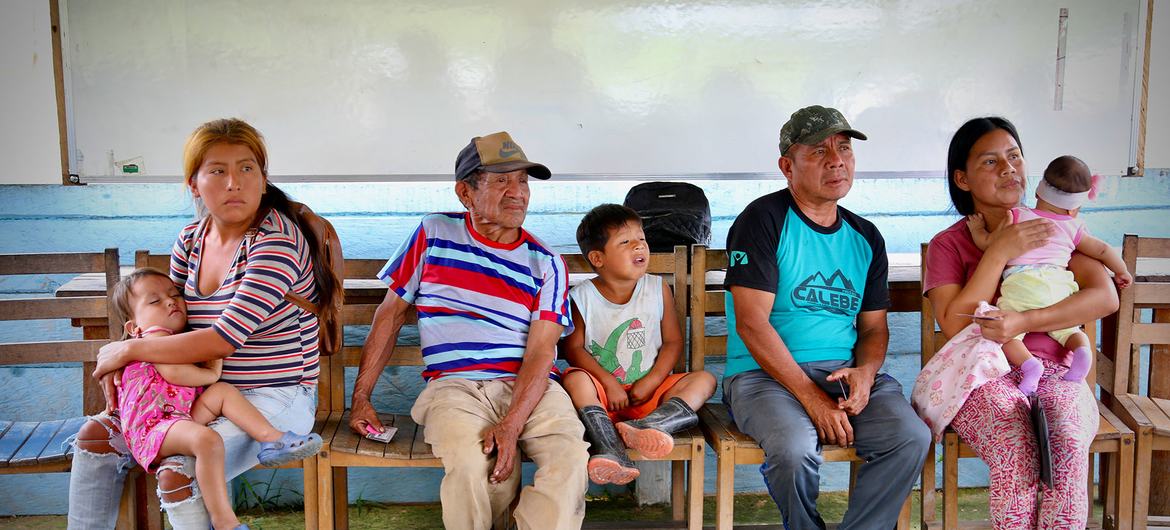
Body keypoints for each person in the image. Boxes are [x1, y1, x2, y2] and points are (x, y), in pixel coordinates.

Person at [69, 118, 340, 530]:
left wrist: (125, 350)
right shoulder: (190, 241)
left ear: (263, 179)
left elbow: (221, 339)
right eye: (217, 170)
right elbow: (170, 325)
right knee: (96, 436)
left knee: (180, 469)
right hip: (195, 390)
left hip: (273, 400)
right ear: (194, 184)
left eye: (246, 168)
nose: (234, 182)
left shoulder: (276, 242)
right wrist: (130, 371)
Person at [348, 131, 589, 530]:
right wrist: (361, 398)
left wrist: (512, 423)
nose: (518, 193)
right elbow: (388, 317)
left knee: (569, 459)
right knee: (471, 461)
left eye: (523, 181)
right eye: (501, 181)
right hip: (455, 387)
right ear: (465, 193)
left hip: (531, 386)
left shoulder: (546, 262)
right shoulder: (433, 234)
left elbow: (541, 352)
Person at [721, 105, 931, 529]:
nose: (837, 160)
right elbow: (751, 323)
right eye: (819, 151)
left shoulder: (866, 236)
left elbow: (873, 328)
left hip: (842, 374)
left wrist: (867, 374)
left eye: (844, 148)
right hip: (764, 376)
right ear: (787, 166)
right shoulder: (763, 220)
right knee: (795, 449)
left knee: (911, 437)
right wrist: (812, 399)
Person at [924, 117, 1118, 527]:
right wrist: (999, 251)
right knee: (1015, 440)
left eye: (1014, 157)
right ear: (962, 179)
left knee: (1065, 437)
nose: (1009, 168)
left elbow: (1104, 296)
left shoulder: (1053, 226)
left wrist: (1026, 320)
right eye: (991, 162)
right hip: (982, 378)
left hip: (1059, 371)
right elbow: (954, 323)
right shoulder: (949, 244)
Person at [109, 268, 322, 530]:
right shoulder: (153, 337)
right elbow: (173, 371)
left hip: (176, 417)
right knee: (207, 439)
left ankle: (272, 439)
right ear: (133, 327)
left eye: (175, 294)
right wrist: (212, 372)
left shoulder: (177, 338)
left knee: (222, 393)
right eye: (154, 301)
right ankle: (224, 521)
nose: (170, 301)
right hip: (153, 428)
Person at [560, 204, 716, 485]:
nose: (639, 246)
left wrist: (654, 380)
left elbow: (672, 341)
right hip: (602, 397)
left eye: (641, 239)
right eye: (625, 242)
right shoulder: (581, 297)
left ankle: (652, 426)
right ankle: (610, 447)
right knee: (575, 380)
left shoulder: (657, 289)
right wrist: (608, 383)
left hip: (652, 396)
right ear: (598, 257)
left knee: (704, 380)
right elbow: (573, 350)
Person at [965, 154, 1133, 394]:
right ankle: (1082, 352)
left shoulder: (1016, 216)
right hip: (1057, 287)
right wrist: (1121, 271)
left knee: (1007, 333)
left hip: (1023, 285)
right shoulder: (1073, 228)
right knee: (1070, 331)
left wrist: (977, 229)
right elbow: (1103, 249)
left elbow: (989, 244)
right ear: (1075, 208)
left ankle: (1030, 366)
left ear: (1037, 193)